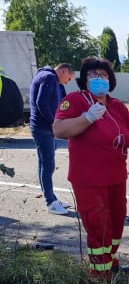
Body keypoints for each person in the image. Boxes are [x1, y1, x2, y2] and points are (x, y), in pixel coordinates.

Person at [52, 56, 129, 278]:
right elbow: (58, 130)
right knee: (99, 226)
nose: (99, 78)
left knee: (116, 223)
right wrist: (87, 117)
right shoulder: (76, 101)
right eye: (93, 75)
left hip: (116, 176)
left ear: (110, 80)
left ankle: (111, 263)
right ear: (85, 79)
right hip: (89, 179)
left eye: (104, 75)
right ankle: (100, 275)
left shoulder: (116, 105)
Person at [29, 62, 75, 214]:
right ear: (63, 71)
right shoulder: (49, 77)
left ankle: (51, 198)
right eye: (68, 79)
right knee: (48, 164)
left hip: (44, 128)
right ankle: (50, 202)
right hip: (42, 128)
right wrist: (53, 123)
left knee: (44, 163)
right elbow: (41, 103)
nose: (67, 82)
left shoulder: (48, 77)